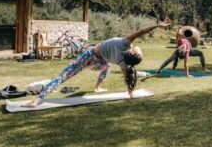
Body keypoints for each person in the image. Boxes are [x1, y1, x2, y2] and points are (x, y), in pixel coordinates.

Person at [22, 22, 171, 107]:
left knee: (64, 75)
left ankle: (37, 100)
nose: (139, 47)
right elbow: (127, 75)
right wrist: (130, 91)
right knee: (107, 66)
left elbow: (141, 31)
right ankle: (98, 87)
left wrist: (158, 25)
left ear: (132, 52)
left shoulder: (126, 43)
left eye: (139, 50)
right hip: (101, 63)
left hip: (90, 56)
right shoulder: (123, 63)